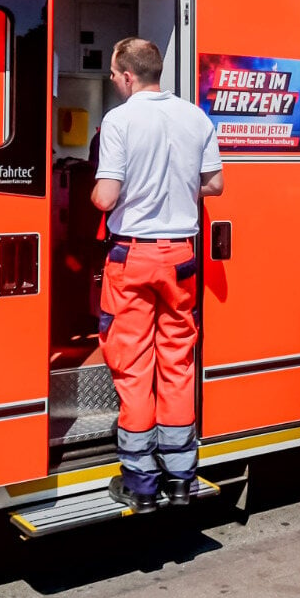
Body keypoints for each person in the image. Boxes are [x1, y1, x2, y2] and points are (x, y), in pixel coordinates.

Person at [91, 37, 223, 513]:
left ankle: (141, 483)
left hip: (132, 256)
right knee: (176, 362)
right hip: (182, 257)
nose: (111, 80)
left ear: (127, 76)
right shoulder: (195, 116)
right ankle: (182, 477)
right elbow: (214, 184)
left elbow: (106, 198)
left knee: (133, 365)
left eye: (111, 73)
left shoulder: (119, 120)